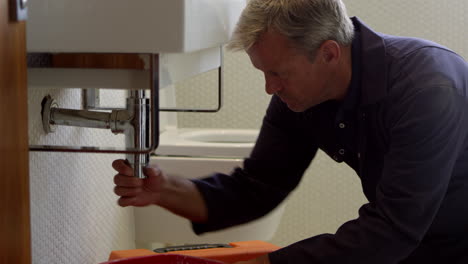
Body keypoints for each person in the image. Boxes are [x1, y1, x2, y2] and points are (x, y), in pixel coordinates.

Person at [112, 0, 468, 263]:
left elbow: (393, 228)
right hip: (411, 239)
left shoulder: (425, 88)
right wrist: (164, 190)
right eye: (263, 73)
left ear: (328, 53)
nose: (270, 88)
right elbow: (257, 188)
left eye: (278, 73)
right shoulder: (300, 98)